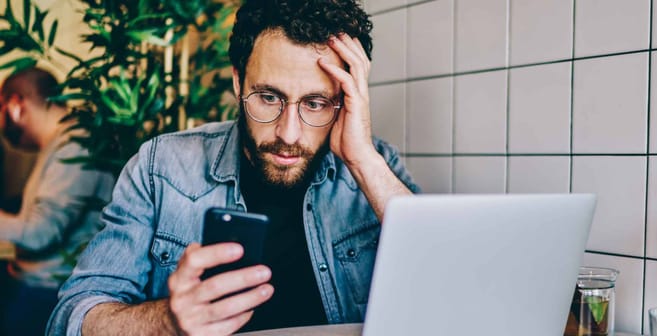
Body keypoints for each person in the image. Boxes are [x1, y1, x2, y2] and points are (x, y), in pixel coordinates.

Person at [47, 0, 420, 335]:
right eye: (268, 97)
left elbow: (451, 287)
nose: (288, 133)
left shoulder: (375, 168)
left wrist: (363, 160)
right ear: (239, 81)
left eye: (316, 103)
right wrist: (166, 323)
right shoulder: (160, 167)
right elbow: (70, 318)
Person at [0, 67, 115, 335]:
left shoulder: (76, 145)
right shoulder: (62, 143)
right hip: (37, 288)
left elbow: (43, 233)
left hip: (48, 294)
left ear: (16, 105)